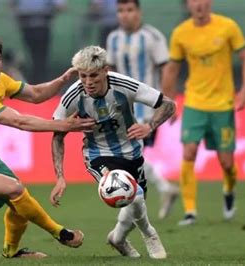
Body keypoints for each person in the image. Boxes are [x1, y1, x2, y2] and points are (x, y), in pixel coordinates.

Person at [0, 36, 95, 259]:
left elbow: (36, 94)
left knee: (19, 201)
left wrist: (64, 79)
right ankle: (60, 233)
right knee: (15, 190)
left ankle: (12, 252)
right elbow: (19, 122)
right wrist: (64, 124)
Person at [50, 46, 176, 258]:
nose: (88, 82)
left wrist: (150, 126)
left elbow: (168, 105)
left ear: (105, 70)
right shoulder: (73, 95)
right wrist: (60, 176)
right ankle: (150, 234)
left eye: (93, 76)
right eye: (83, 76)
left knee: (136, 201)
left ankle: (117, 238)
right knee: (132, 195)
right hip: (98, 154)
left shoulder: (124, 85)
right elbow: (57, 134)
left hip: (132, 152)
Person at [161, 0, 245, 226]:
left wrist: (243, 92)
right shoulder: (181, 33)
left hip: (223, 104)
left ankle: (229, 191)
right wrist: (168, 101)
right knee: (189, 152)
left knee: (226, 163)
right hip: (194, 102)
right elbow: (172, 68)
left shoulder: (227, 26)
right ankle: (190, 211)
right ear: (188, 5)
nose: (199, 4)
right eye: (193, 1)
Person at [106, 0, 179, 219]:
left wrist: (167, 102)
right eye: (120, 11)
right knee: (130, 157)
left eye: (129, 10)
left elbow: (166, 69)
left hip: (146, 107)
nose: (125, 15)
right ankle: (163, 188)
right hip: (122, 108)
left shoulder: (152, 36)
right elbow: (110, 70)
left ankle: (134, 208)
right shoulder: (113, 38)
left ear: (139, 12)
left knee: (129, 157)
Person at [11, 0, 66, 83]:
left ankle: (42, 80)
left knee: (41, 56)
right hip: (27, 27)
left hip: (43, 27)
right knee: (32, 56)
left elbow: (61, 6)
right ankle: (34, 80)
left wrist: (50, 11)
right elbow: (12, 5)